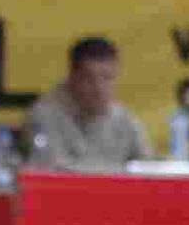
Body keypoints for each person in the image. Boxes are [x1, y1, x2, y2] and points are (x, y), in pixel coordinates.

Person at [23, 39, 150, 174]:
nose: (99, 88)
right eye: (89, 79)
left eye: (107, 78)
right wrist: (121, 172)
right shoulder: (44, 116)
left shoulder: (124, 119)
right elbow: (51, 170)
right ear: (73, 78)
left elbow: (147, 168)